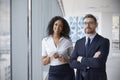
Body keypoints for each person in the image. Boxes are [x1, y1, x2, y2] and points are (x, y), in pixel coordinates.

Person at [70, 14, 110, 80]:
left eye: (90, 23)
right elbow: (72, 62)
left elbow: (98, 63)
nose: (87, 26)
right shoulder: (78, 42)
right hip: (80, 78)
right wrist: (89, 63)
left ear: (96, 25)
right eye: (85, 23)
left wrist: (80, 59)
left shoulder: (104, 41)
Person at [42, 16, 75, 80]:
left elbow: (73, 59)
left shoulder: (67, 40)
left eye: (60, 26)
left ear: (63, 28)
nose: (57, 27)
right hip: (53, 71)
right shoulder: (45, 41)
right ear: (52, 25)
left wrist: (65, 59)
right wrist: (49, 56)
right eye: (56, 24)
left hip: (67, 71)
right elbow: (44, 62)